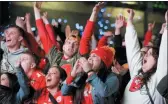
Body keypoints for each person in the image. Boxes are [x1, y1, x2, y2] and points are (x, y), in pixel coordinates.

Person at [34, 2, 104, 75]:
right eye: (69, 42)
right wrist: (36, 10)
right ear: (63, 46)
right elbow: (43, 35)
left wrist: (94, 13)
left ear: (78, 49)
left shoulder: (79, 59)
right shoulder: (55, 56)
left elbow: (85, 37)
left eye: (75, 44)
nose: (71, 45)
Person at [121, 9, 167, 104]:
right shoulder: (136, 72)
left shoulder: (159, 78)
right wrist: (129, 22)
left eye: (150, 54)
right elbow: (132, 48)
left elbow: (164, 51)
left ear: (158, 62)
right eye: (146, 53)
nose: (145, 55)